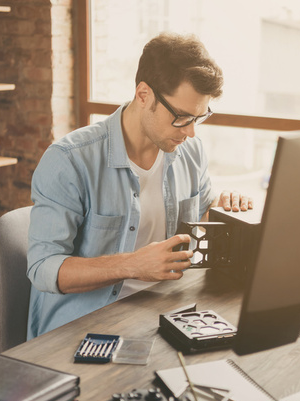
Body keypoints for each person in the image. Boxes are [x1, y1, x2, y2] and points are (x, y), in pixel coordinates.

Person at [26, 33, 252, 338]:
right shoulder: (70, 160)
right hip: (82, 326)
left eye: (199, 117)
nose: (191, 132)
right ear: (144, 95)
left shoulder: (190, 151)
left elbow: (201, 216)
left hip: (165, 310)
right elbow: (43, 269)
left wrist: (224, 208)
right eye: (182, 117)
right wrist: (132, 265)